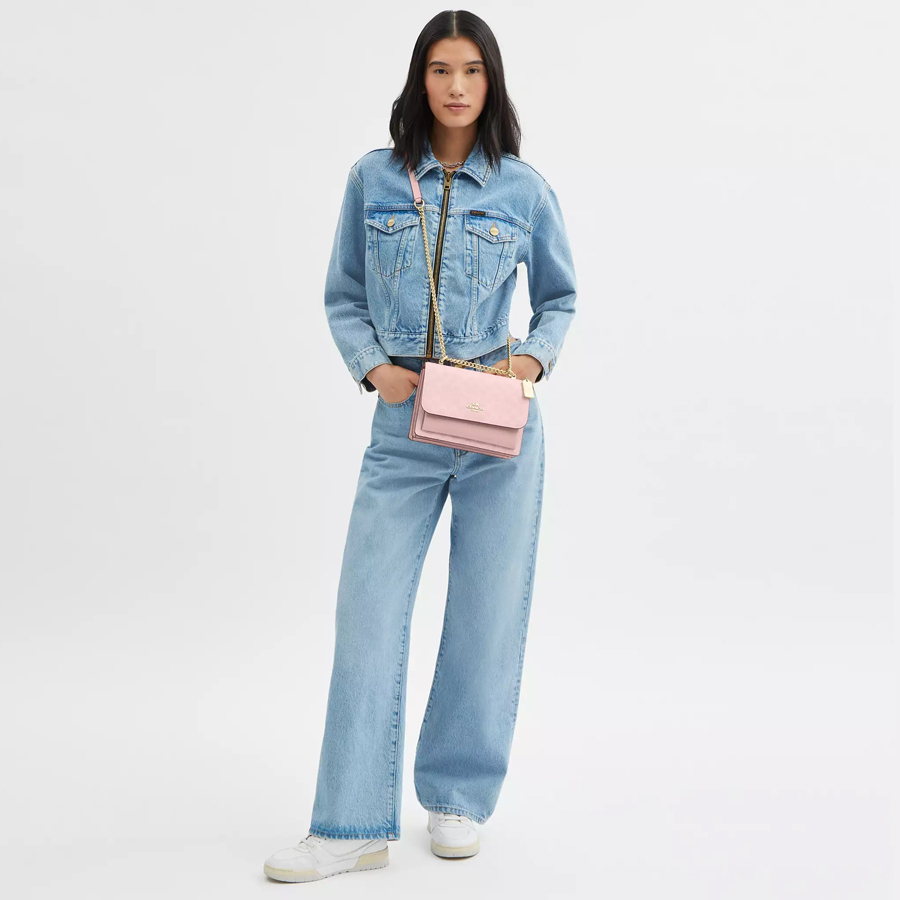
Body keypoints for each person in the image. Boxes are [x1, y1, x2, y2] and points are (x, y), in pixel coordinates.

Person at [264, 9, 577, 883]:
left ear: (491, 82)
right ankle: (351, 824)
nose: (456, 86)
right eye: (441, 70)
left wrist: (529, 360)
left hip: (498, 425)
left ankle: (457, 797)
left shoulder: (523, 189)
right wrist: (374, 368)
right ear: (420, 79)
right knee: (368, 611)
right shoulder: (374, 179)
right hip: (403, 426)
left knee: (486, 615)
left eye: (472, 70)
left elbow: (560, 299)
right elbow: (343, 293)